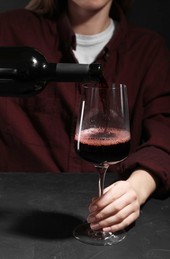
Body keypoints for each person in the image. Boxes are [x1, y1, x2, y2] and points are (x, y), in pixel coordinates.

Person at [0, 0, 169, 234]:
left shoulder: (149, 49)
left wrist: (136, 189)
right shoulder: (8, 31)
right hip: (20, 226)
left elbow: (165, 133)